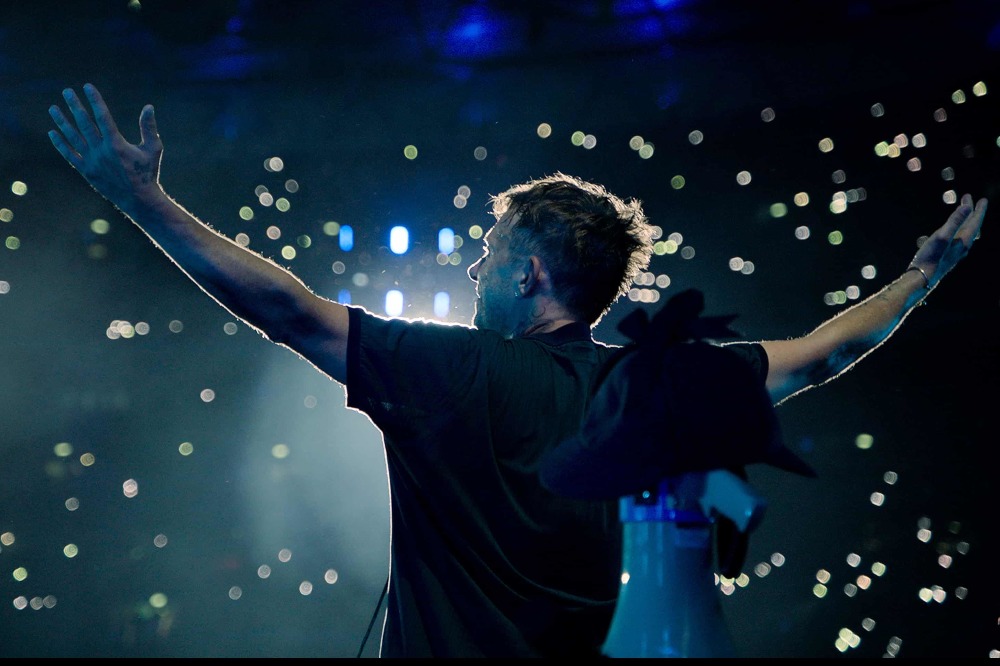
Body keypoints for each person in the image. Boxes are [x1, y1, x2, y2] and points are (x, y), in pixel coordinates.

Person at [47, 83, 987, 658]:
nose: (470, 267)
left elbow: (285, 306)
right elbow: (833, 351)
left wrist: (142, 200)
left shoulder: (446, 370)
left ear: (530, 273)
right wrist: (923, 273)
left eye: (489, 251)